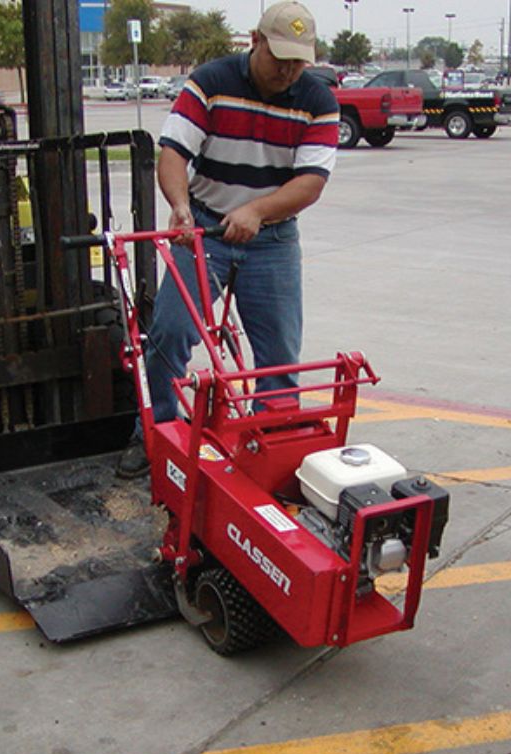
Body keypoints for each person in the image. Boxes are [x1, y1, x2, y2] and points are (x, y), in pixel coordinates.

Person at [117, 0, 339, 478]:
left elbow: (311, 182)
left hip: (273, 238)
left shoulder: (318, 101)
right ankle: (154, 432)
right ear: (254, 41)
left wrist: (257, 211)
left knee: (278, 353)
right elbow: (174, 151)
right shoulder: (212, 82)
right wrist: (179, 207)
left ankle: (269, 452)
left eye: (298, 61)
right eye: (279, 57)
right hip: (206, 229)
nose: (287, 70)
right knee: (171, 333)